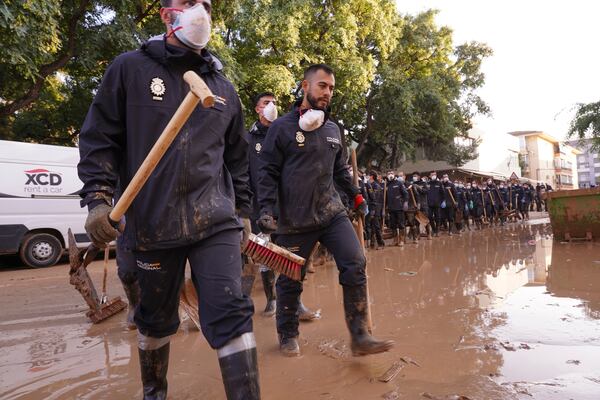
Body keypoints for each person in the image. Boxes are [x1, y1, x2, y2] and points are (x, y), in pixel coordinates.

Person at [77, 1, 260, 398]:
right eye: (189, 3)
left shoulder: (224, 89)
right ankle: (154, 392)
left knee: (231, 311)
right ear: (166, 15)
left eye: (206, 4)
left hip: (214, 220)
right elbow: (99, 138)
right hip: (150, 224)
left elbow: (238, 159)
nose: (201, 11)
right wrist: (97, 198)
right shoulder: (129, 69)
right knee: (156, 321)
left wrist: (243, 212)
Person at [257, 64, 394, 357]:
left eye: (331, 88)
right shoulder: (281, 128)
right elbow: (267, 172)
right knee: (292, 280)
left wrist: (356, 197)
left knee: (355, 262)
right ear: (304, 87)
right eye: (322, 86)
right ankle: (288, 334)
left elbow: (340, 171)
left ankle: (359, 336)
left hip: (331, 212)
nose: (328, 92)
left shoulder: (334, 130)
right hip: (293, 220)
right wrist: (267, 209)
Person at [247, 92, 278, 316]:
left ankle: (293, 299)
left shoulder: (285, 133)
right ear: (258, 109)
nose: (272, 106)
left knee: (291, 253)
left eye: (275, 103)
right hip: (258, 208)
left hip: (284, 205)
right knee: (266, 254)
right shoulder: (247, 139)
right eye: (267, 103)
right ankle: (272, 299)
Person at [386, 171, 408, 246]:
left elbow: (405, 194)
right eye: (388, 174)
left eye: (391, 173)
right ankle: (395, 240)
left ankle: (401, 240)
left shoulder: (399, 183)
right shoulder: (387, 184)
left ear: (394, 175)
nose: (390, 175)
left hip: (399, 207)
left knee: (401, 224)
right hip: (391, 208)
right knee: (393, 225)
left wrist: (405, 202)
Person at [366, 172, 386, 249]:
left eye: (368, 175)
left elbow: (375, 198)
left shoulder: (376, 186)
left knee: (376, 226)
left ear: (371, 176)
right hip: (369, 208)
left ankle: (381, 243)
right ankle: (372, 243)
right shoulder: (369, 185)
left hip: (375, 209)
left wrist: (373, 209)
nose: (367, 177)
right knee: (371, 226)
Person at [426, 171, 445, 237]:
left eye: (435, 174)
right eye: (432, 175)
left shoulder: (439, 183)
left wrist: (442, 201)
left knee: (438, 217)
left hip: (437, 203)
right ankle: (433, 229)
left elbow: (443, 193)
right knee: (430, 217)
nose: (434, 175)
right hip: (429, 204)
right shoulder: (427, 184)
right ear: (430, 176)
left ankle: (437, 230)